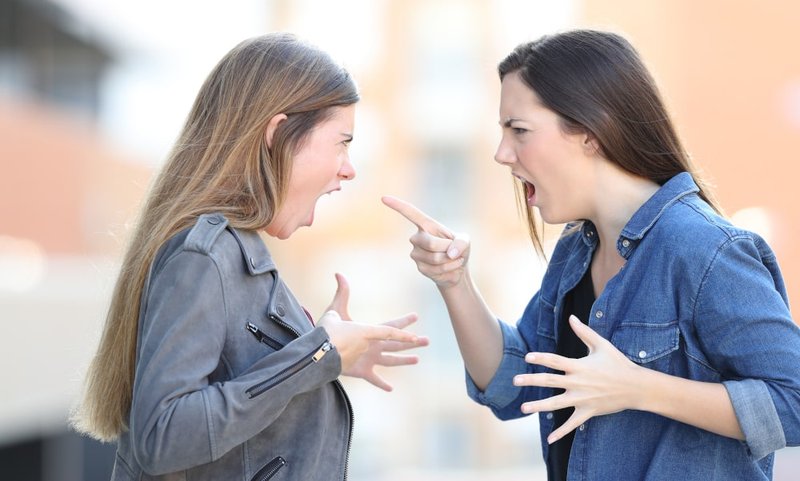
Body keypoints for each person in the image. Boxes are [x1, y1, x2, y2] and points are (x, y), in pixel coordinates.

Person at [383, 29, 800, 480]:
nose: (502, 154)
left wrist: (638, 388)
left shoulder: (705, 250)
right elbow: (513, 385)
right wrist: (454, 282)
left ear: (590, 131)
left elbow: (793, 402)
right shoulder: (577, 248)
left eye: (519, 131)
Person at [71, 33, 428, 481]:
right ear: (278, 133)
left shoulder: (238, 253)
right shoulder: (203, 257)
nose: (348, 168)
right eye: (342, 142)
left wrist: (326, 354)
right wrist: (317, 355)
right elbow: (162, 436)